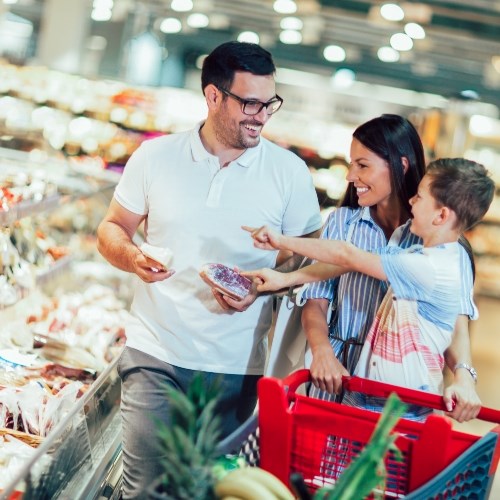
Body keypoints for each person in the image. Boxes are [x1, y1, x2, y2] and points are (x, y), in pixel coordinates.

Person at [96, 41, 322, 498]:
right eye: (250, 103)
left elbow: (307, 258)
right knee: (145, 491)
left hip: (237, 367)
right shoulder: (155, 157)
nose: (261, 115)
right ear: (214, 96)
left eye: (269, 104)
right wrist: (134, 259)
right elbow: (112, 229)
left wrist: (263, 286)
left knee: (206, 491)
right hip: (154, 353)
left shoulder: (289, 173)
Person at [243, 113, 482, 423]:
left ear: (400, 164)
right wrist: (322, 353)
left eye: (363, 165)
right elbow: (321, 292)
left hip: (397, 402)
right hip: (333, 381)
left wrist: (464, 376)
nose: (350, 175)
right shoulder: (344, 222)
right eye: (351, 163)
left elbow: (455, 325)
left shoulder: (438, 246)